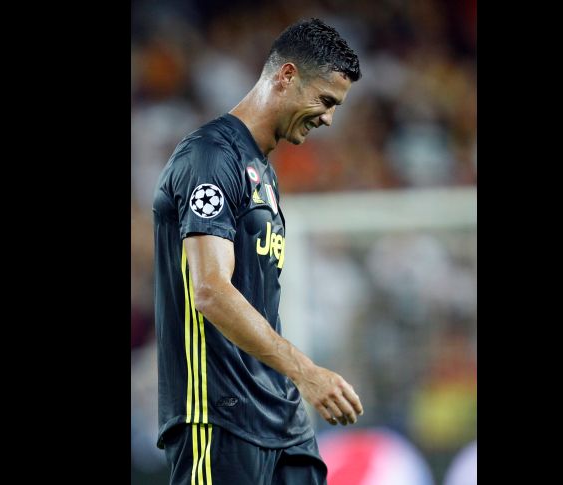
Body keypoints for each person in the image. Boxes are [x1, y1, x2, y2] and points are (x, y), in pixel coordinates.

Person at [152, 18, 363, 485]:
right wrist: (307, 373)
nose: (329, 118)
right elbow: (210, 290)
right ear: (286, 76)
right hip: (218, 414)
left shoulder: (261, 171)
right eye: (325, 101)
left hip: (278, 416)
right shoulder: (208, 157)